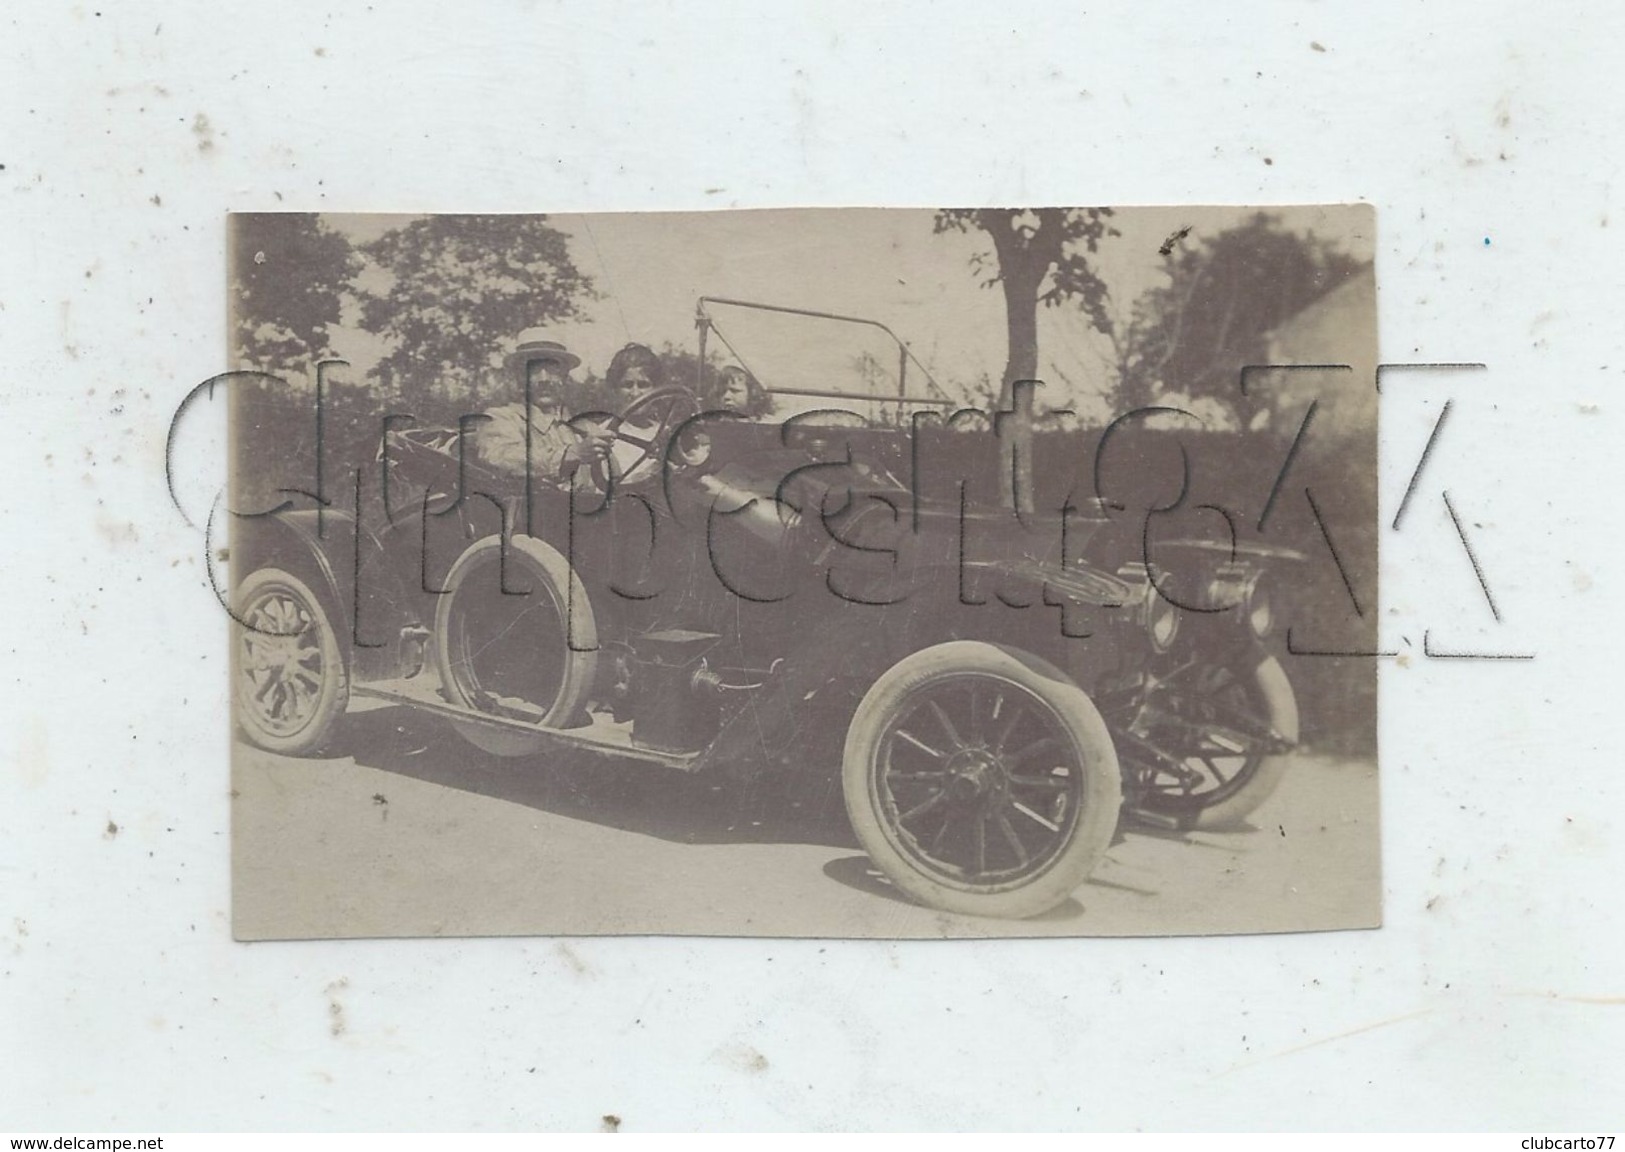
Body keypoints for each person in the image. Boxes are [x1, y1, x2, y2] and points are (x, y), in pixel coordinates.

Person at [473, 329, 613, 483]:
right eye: (533, 369)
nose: (544, 379)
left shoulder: (584, 427)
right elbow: (500, 456)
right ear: (520, 377)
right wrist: (570, 455)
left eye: (553, 369)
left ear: (565, 376)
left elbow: (612, 479)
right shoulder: (501, 419)